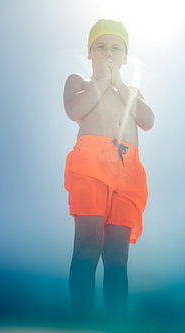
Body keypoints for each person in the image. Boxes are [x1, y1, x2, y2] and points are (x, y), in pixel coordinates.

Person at [63, 19, 154, 321]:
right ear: (90, 54)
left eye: (116, 48)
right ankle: (82, 323)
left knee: (117, 258)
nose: (108, 53)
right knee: (87, 246)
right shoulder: (80, 82)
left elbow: (147, 120)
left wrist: (118, 85)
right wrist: (102, 81)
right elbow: (75, 110)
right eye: (100, 47)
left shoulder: (132, 90)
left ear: (126, 57)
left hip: (127, 169)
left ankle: (116, 324)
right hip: (91, 163)